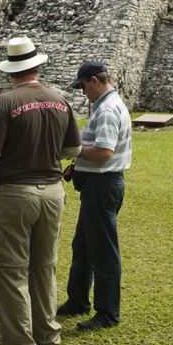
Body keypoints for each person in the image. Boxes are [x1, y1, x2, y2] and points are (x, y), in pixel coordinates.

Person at [0, 36, 81, 345]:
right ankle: (47, 336)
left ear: (12, 71)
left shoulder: (4, 103)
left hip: (15, 192)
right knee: (44, 266)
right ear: (37, 66)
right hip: (52, 191)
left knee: (9, 272)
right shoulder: (59, 100)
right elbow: (72, 151)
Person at [58, 60, 132, 330]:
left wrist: (72, 148)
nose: (82, 92)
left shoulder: (108, 110)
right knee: (84, 247)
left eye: (83, 87)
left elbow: (103, 152)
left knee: (103, 253)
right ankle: (77, 300)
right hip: (97, 186)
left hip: (102, 187)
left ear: (94, 80)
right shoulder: (105, 106)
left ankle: (107, 313)